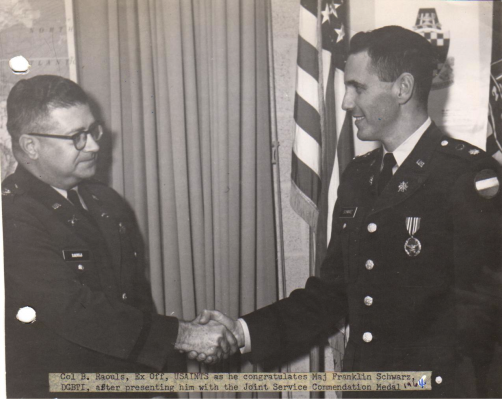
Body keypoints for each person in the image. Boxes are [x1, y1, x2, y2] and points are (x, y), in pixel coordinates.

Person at [193, 26, 502, 398]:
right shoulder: (360, 176)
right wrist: (242, 331)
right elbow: (332, 293)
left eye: (358, 87)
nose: (346, 103)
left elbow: (485, 323)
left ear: (402, 88)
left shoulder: (465, 176)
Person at [2, 75, 236, 399]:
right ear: (31, 145)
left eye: (93, 131)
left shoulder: (105, 202)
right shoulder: (11, 216)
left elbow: (135, 304)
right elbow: (74, 311)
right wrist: (182, 336)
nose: (95, 146)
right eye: (77, 137)